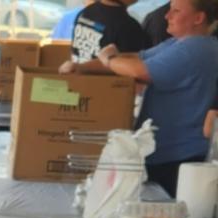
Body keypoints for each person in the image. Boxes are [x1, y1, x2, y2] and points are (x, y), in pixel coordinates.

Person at [63, 0, 218, 196]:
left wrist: (109, 59)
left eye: (176, 11)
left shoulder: (195, 49)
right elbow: (134, 58)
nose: (167, 16)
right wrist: (82, 67)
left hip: (177, 156)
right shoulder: (178, 43)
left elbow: (139, 70)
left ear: (198, 18)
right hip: (165, 152)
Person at [64, 0, 148, 64]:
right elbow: (133, 67)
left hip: (77, 77)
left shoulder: (84, 12)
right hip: (105, 81)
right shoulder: (129, 26)